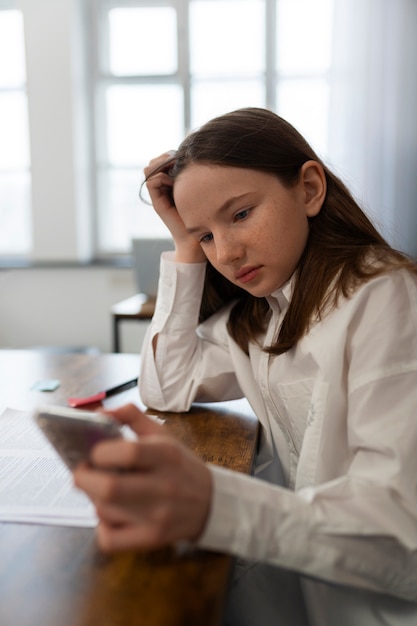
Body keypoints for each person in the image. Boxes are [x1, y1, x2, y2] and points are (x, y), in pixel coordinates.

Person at [74, 108, 417, 625]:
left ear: (308, 188)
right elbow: (166, 384)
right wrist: (185, 244)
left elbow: (402, 537)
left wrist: (213, 504)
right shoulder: (260, 316)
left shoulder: (385, 299)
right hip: (319, 595)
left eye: (239, 215)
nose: (228, 252)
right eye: (207, 236)